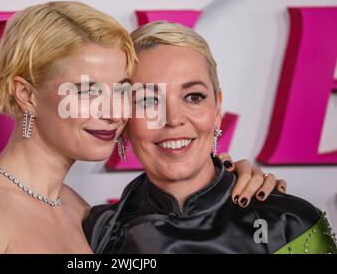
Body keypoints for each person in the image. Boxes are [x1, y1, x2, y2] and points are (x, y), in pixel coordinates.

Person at [0, 2, 286, 253]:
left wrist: (225, 184)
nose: (112, 112)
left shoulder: (86, 216)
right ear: (26, 95)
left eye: (122, 91)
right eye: (86, 91)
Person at [83, 21, 337, 254]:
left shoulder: (289, 222)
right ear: (124, 117)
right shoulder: (95, 233)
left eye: (193, 97)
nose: (173, 119)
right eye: (149, 101)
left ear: (217, 109)